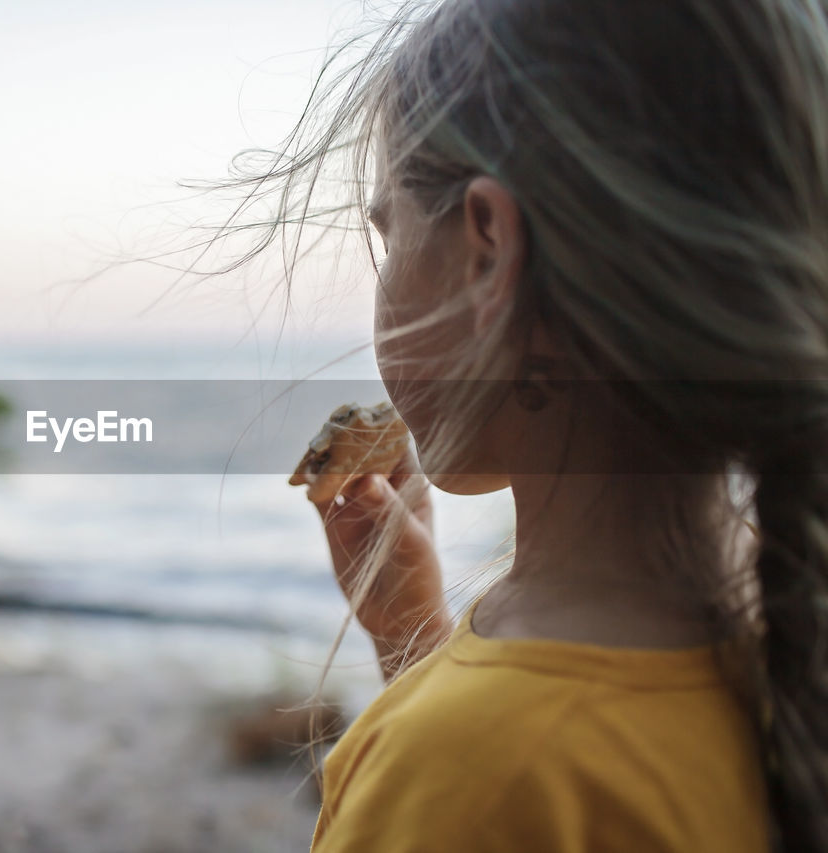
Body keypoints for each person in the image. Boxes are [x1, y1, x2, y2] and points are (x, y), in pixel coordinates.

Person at [206, 0, 828, 850]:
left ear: (487, 251)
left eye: (389, 236)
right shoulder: (784, 667)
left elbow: (501, 772)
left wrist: (443, 711)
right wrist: (418, 644)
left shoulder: (460, 774)